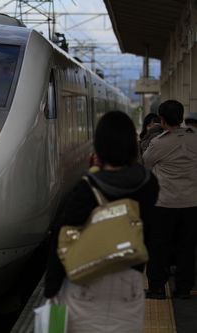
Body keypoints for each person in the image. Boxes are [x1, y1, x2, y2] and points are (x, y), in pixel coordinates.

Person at [44, 111, 159, 332]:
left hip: (86, 281)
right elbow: (150, 229)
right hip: (129, 279)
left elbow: (61, 238)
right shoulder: (148, 182)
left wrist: (52, 288)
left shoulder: (87, 186)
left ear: (99, 147)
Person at [143, 100, 197, 299]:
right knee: (187, 247)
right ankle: (183, 289)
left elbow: (146, 163)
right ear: (182, 117)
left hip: (164, 203)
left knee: (159, 246)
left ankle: (157, 288)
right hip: (192, 203)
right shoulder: (195, 139)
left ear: (162, 120)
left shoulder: (160, 142)